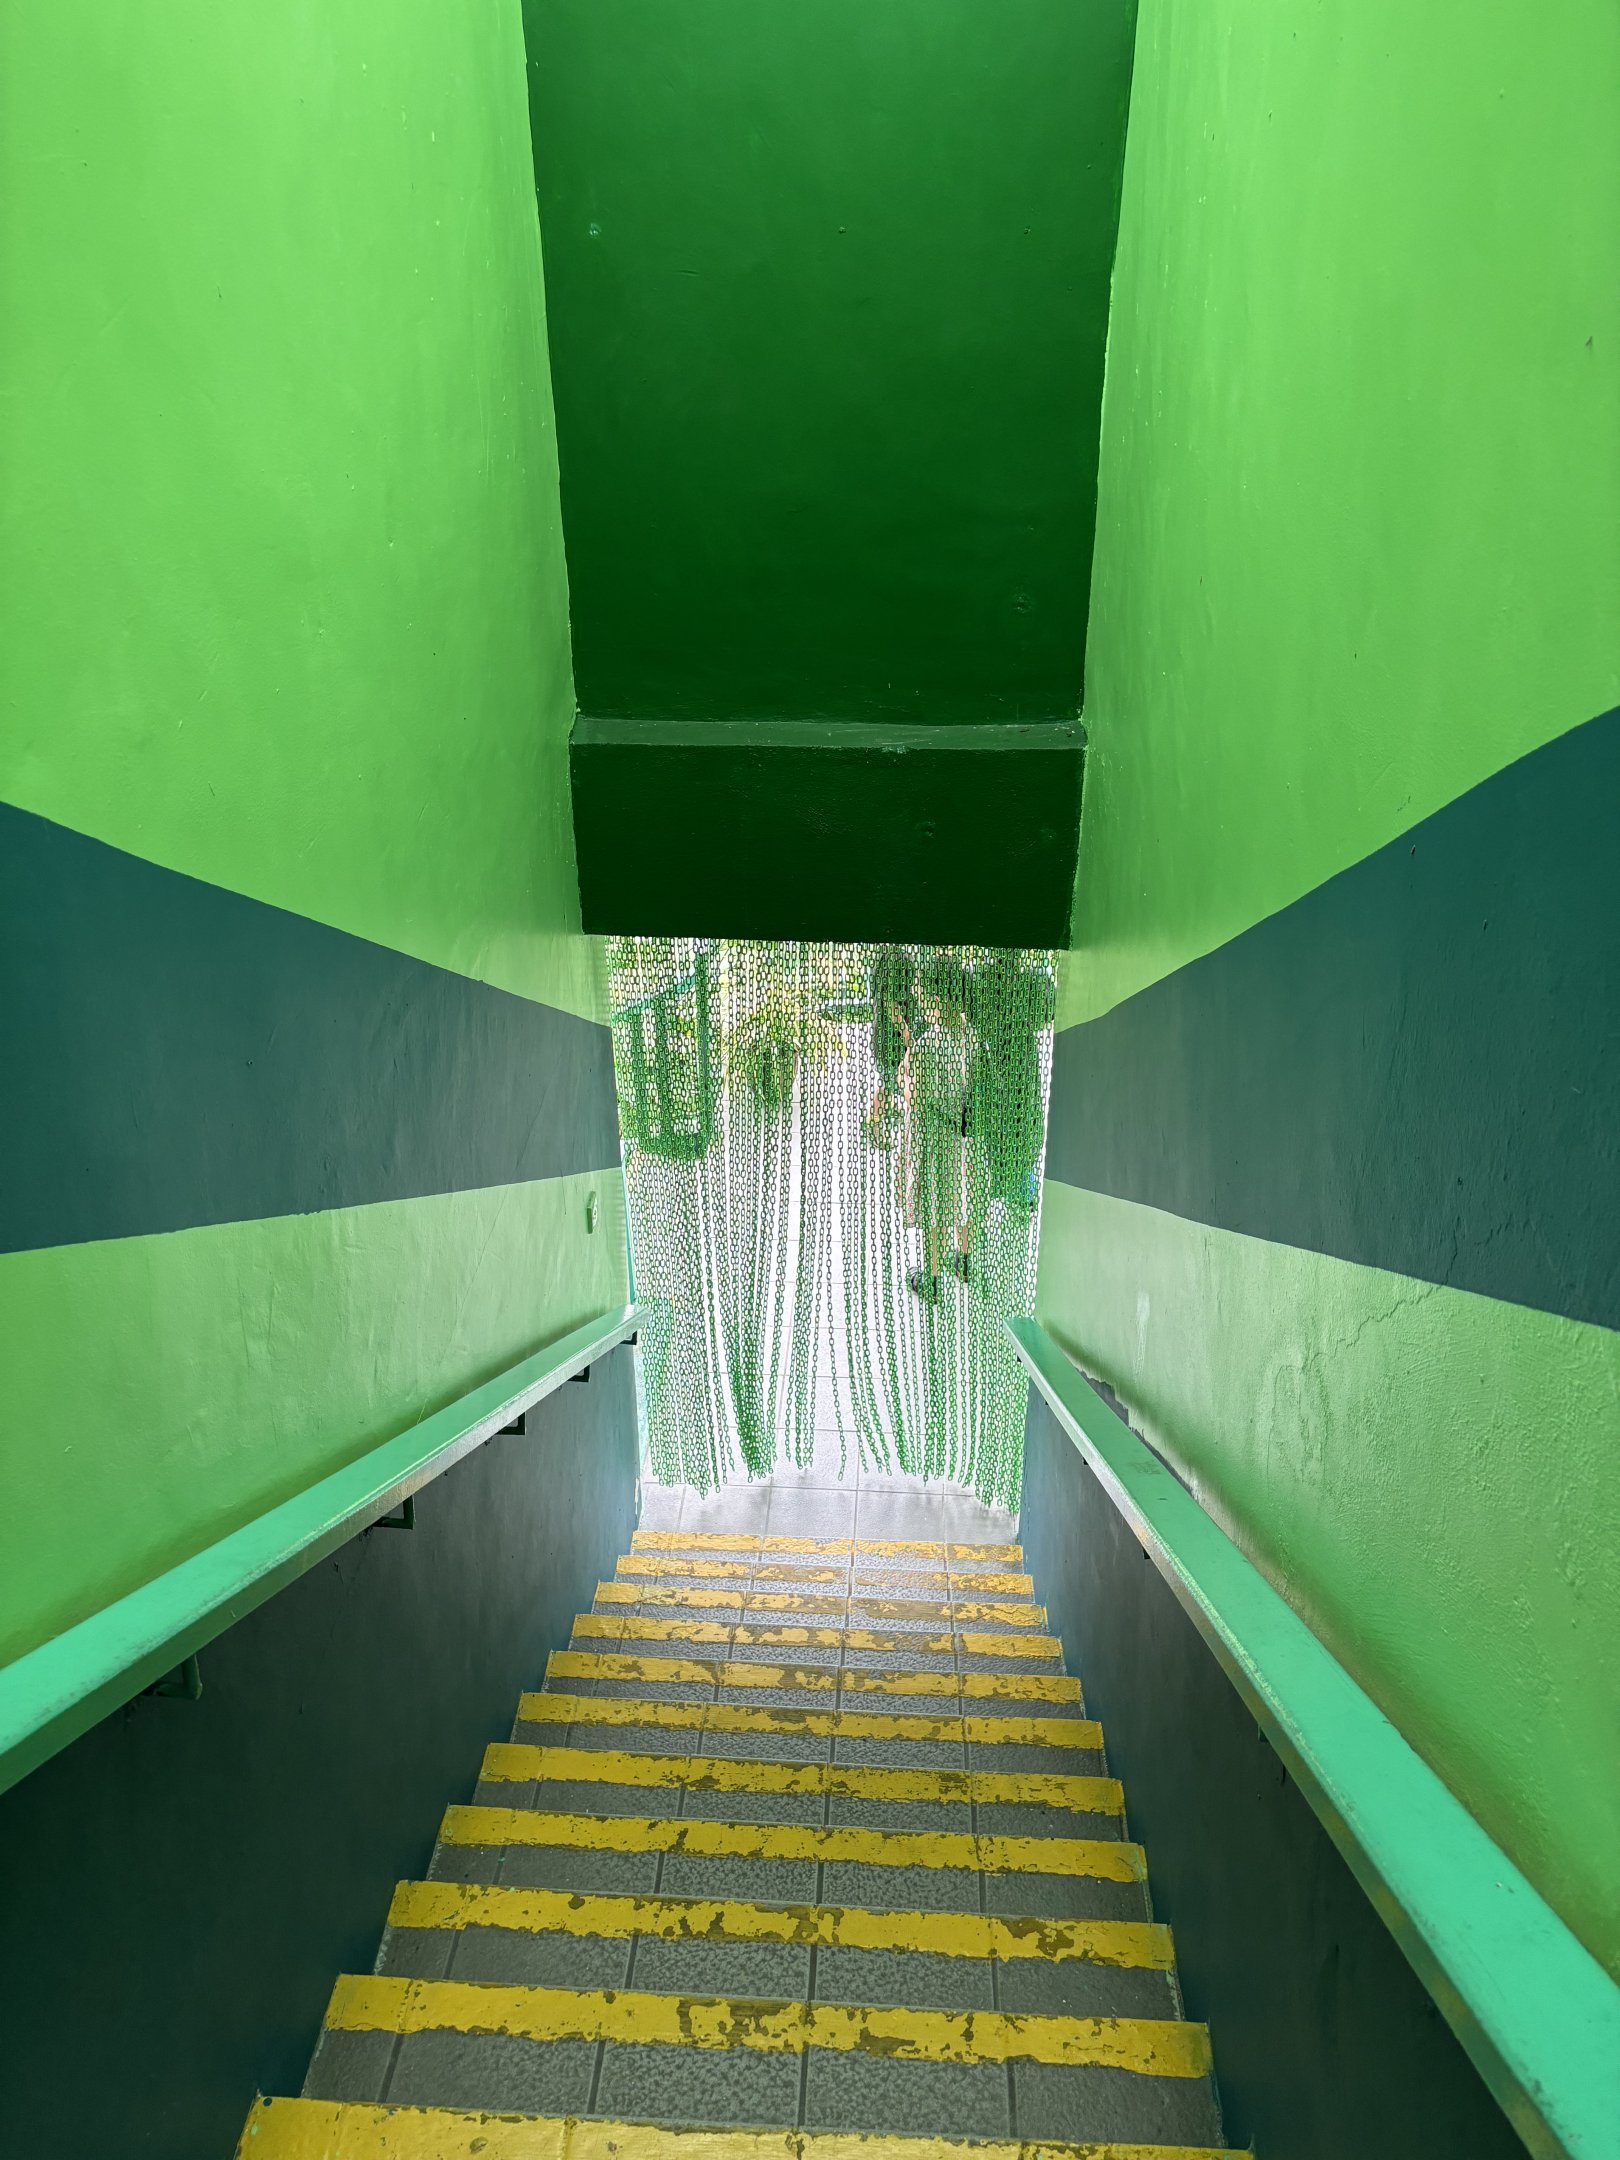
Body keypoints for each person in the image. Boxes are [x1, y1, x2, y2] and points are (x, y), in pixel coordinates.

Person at [900, 955, 987, 1303]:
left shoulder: (927, 1046)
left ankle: (932, 1277)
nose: (921, 1004)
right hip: (967, 1134)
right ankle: (963, 1260)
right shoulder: (972, 1037)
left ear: (936, 999)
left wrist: (905, 1075)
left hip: (936, 1138)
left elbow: (915, 1098)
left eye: (923, 997)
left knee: (936, 1206)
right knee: (966, 1195)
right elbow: (978, 1085)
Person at [966, 951, 1055, 1210]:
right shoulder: (1021, 982)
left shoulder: (991, 981)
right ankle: (1016, 1185)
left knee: (1011, 1123)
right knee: (1018, 1123)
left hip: (1009, 1063)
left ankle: (1012, 1184)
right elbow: (1044, 1014)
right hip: (1011, 1063)